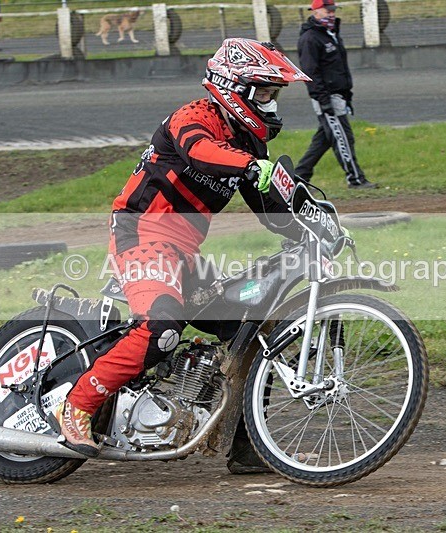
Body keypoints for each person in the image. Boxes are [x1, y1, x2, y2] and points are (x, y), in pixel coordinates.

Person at [52, 39, 310, 473]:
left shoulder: (249, 145)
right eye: (264, 92)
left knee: (255, 330)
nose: (271, 103)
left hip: (182, 252)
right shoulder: (193, 117)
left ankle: (250, 449)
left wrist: (311, 220)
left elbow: (270, 213)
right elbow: (198, 150)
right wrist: (248, 166)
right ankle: (77, 406)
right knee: (161, 326)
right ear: (236, 90)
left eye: (273, 94)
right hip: (141, 232)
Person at [295, 0, 375, 189]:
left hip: (338, 96)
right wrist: (324, 101)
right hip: (327, 98)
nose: (331, 14)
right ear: (315, 12)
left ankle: (299, 176)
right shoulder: (310, 38)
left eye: (333, 10)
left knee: (324, 140)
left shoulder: (331, 34)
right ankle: (355, 179)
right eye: (327, 10)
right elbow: (311, 73)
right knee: (343, 138)